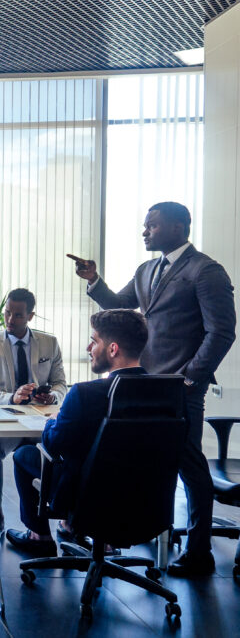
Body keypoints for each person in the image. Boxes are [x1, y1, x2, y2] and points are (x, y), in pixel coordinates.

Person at [71, 201, 236, 576]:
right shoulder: (147, 269)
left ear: (179, 227)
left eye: (153, 225)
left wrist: (190, 377)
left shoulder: (205, 271)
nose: (145, 231)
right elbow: (119, 306)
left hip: (181, 388)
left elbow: (222, 331)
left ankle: (199, 552)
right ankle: (139, 529)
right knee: (139, 459)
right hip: (142, 383)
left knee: (190, 466)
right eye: (145, 226)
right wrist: (94, 281)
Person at [5, 310, 149, 557]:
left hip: (85, 496)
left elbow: (53, 443)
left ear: (113, 349)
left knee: (23, 454)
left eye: (94, 340)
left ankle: (39, 535)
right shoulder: (167, 392)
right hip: (145, 499)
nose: (88, 347)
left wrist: (54, 420)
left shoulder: (85, 394)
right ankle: (89, 534)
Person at [0, 287, 68, 548]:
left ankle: (63, 521)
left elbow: (61, 383)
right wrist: (12, 397)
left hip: (41, 419)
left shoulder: (49, 343)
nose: (9, 320)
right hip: (8, 417)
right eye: (7, 313)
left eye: (17, 315)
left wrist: (53, 397)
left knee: (51, 452)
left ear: (30, 316)